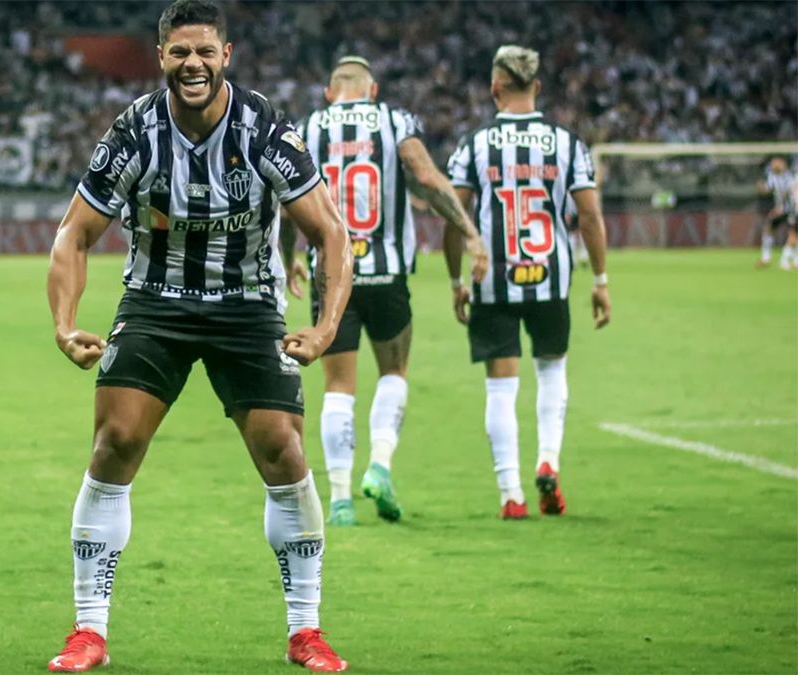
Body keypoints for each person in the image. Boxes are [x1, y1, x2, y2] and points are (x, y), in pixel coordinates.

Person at [45, 1, 352, 671]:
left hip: (247, 305)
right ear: (161, 56)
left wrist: (325, 326)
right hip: (156, 303)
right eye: (180, 52)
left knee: (282, 447)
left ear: (226, 56)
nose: (193, 64)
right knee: (115, 440)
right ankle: (89, 630)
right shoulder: (134, 131)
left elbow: (330, 231)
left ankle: (306, 629)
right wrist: (65, 326)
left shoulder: (264, 127)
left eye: (205, 52)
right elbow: (75, 232)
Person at [282, 56, 488, 526]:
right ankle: (379, 465)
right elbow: (427, 178)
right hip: (386, 273)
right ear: (373, 91)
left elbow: (288, 200)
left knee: (338, 386)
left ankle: (340, 499)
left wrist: (289, 253)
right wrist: (470, 233)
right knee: (394, 370)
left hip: (330, 278)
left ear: (330, 94)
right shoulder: (394, 121)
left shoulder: (308, 127)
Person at [444, 45, 612, 519]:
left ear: (494, 88)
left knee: (501, 387)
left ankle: (511, 495)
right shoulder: (567, 143)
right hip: (550, 277)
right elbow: (590, 215)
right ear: (536, 87)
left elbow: (453, 214)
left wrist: (456, 279)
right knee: (552, 370)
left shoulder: (475, 144)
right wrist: (600, 279)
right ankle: (548, 460)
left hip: (492, 279)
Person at [755, 155, 797, 270]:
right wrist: (761, 188)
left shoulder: (790, 176)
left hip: (791, 209)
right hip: (781, 209)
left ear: (783, 164)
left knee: (793, 234)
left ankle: (791, 260)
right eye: (772, 163)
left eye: (776, 162)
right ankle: (766, 258)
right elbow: (768, 189)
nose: (773, 165)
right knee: (768, 228)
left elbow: (791, 193)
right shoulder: (772, 176)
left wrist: (782, 206)